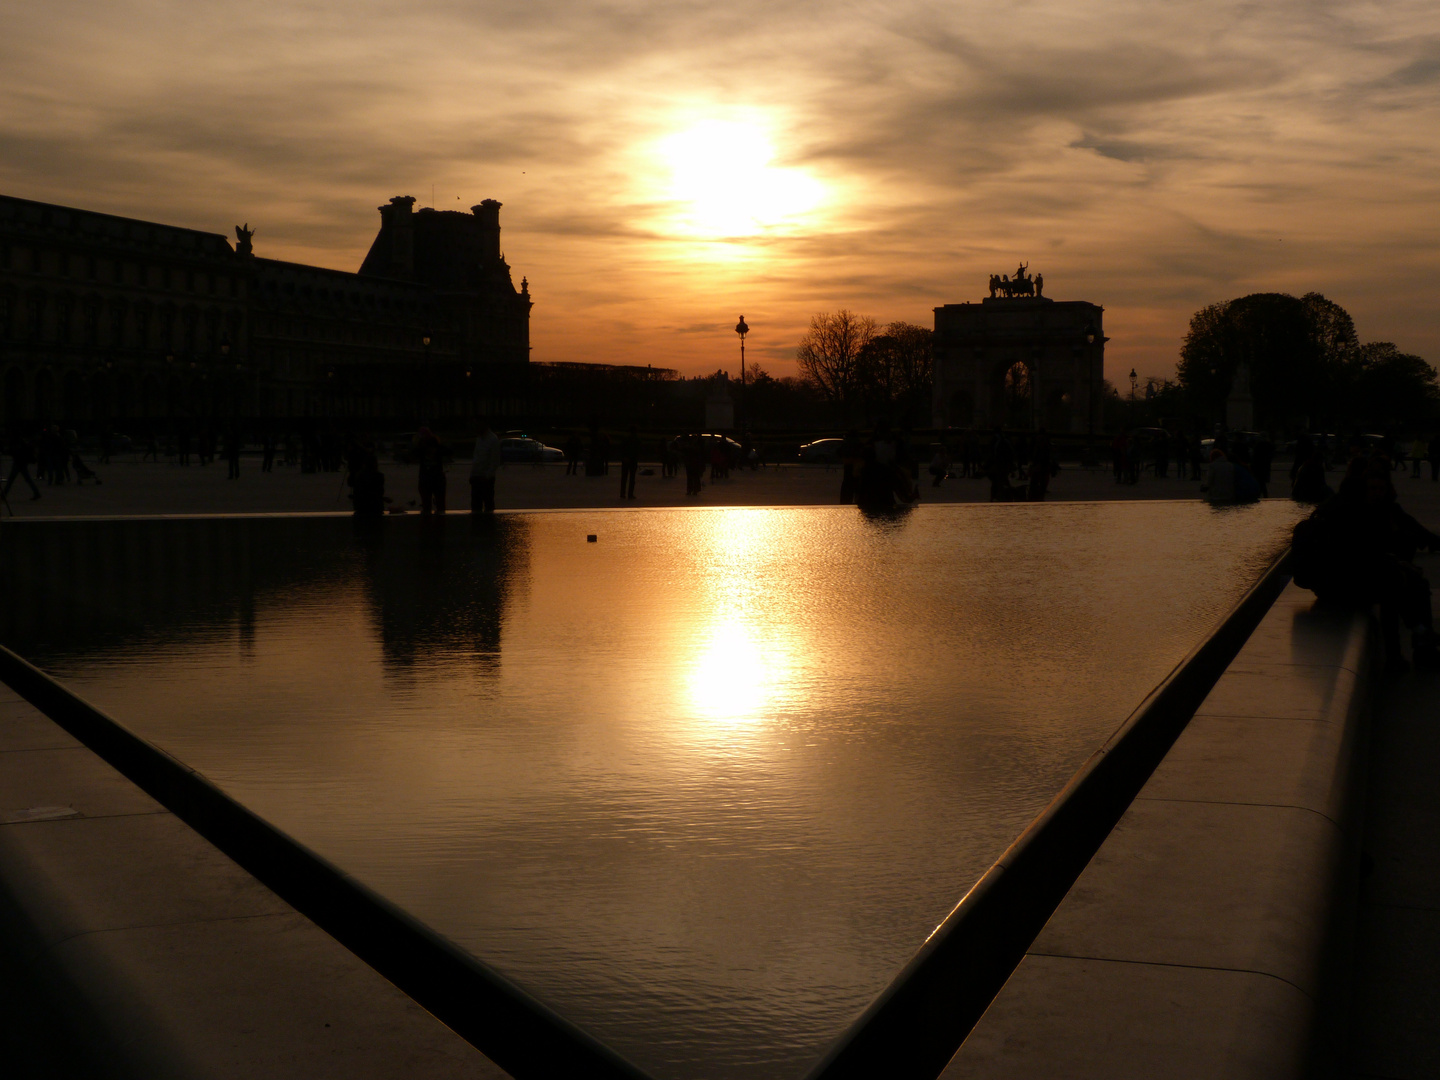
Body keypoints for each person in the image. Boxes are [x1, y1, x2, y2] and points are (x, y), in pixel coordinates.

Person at [1292, 457, 1440, 669]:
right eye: (1371, 490)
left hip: (1329, 582)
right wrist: (1400, 565)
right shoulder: (1352, 515)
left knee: (1403, 581)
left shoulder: (1337, 509)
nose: (1375, 495)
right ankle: (1409, 646)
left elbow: (1364, 557)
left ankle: (1418, 640)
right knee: (1396, 584)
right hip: (1337, 586)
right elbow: (1364, 558)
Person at [469, 418, 501, 514]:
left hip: (485, 478)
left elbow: (495, 461)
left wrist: (488, 475)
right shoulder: (480, 438)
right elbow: (477, 458)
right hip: (477, 476)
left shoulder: (492, 440)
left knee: (487, 503)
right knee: (477, 504)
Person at [414, 426, 446, 514]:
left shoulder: (421, 449)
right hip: (435, 479)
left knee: (428, 505)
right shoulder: (438, 448)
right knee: (439, 505)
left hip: (428, 479)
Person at [2, 429, 41, 501]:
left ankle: (4, 494)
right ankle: (36, 492)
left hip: (19, 462)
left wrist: (6, 451)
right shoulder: (22, 441)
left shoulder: (17, 442)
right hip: (22, 462)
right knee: (27, 479)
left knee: (12, 479)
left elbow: (14, 451)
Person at [619, 426, 640, 500]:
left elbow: (622, 449)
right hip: (633, 460)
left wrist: (624, 457)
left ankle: (622, 493)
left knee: (624, 477)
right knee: (632, 478)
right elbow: (637, 451)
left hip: (626, 460)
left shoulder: (625, 439)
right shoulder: (636, 440)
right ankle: (630, 494)